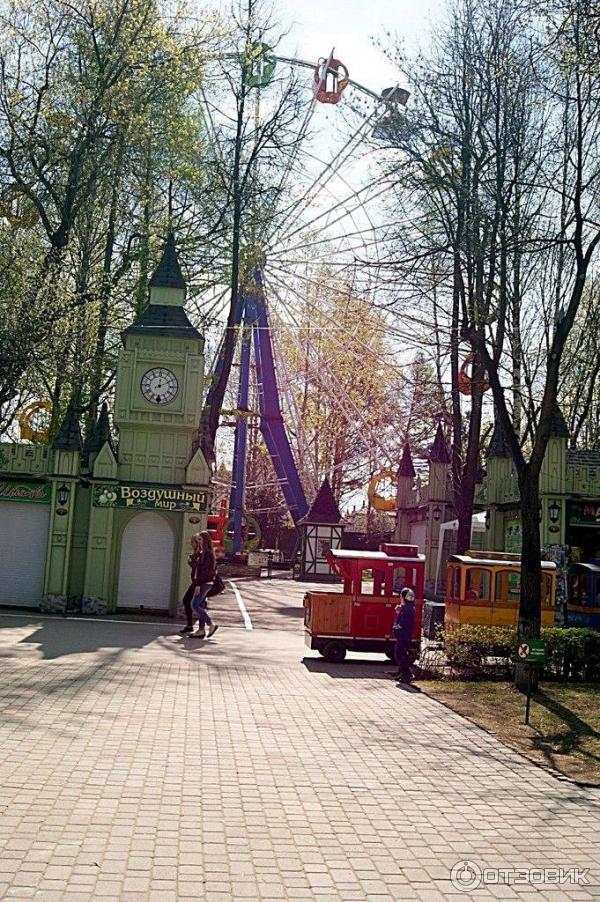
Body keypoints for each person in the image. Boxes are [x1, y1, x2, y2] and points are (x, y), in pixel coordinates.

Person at [179, 532, 219, 639]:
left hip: (203, 583)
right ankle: (201, 630)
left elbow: (203, 571)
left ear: (205, 541)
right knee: (199, 605)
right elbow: (199, 568)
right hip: (204, 582)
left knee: (194, 604)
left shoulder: (207, 553)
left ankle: (211, 624)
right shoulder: (204, 552)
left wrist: (198, 585)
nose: (198, 542)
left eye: (200, 540)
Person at [391, 587, 416, 683]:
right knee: (400, 654)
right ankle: (402, 673)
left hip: (404, 635)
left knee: (400, 654)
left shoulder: (407, 609)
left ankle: (407, 674)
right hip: (404, 635)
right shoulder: (407, 608)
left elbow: (403, 623)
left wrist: (397, 628)